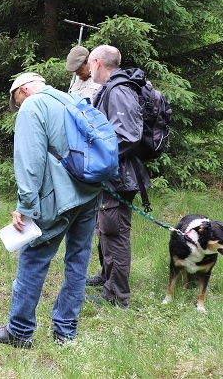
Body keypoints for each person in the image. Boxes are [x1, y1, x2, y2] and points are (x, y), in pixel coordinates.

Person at [0, 73, 101, 348]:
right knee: (78, 261)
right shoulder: (72, 99)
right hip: (91, 192)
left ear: (23, 89)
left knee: (34, 256)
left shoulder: (33, 106)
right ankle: (65, 333)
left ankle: (19, 331)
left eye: (17, 100)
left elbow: (30, 161)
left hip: (59, 197)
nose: (19, 106)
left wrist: (26, 207)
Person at [84, 44, 149, 309]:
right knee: (106, 227)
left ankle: (117, 295)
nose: (88, 70)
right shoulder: (112, 88)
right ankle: (106, 276)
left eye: (90, 64)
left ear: (97, 62)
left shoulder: (119, 90)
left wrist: (98, 159)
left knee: (116, 232)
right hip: (112, 173)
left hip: (120, 175)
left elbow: (128, 135)